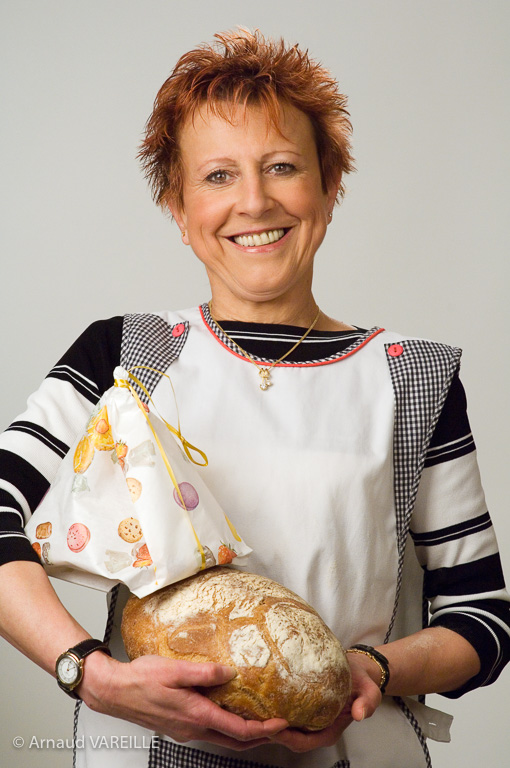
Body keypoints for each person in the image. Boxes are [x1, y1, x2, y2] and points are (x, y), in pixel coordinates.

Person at [0, 28, 509, 768]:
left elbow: (482, 620)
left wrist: (374, 669)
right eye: (216, 177)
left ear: (328, 188)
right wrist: (92, 673)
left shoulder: (413, 378)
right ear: (177, 207)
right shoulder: (127, 357)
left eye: (282, 167)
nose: (253, 201)